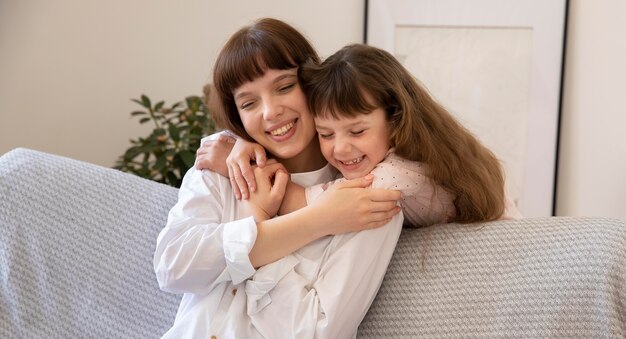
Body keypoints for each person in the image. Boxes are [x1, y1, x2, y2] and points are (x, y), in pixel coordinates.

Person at [0, 18, 401, 339]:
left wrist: (260, 225)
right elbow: (174, 267)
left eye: (284, 86)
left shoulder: (362, 199)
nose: (271, 111)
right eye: (248, 103)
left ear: (312, 85)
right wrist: (301, 222)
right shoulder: (220, 171)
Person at [198, 43, 522, 226]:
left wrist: (241, 167)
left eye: (357, 130)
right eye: (325, 133)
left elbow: (314, 205)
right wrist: (244, 141)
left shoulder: (399, 174)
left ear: (395, 119)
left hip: (510, 261)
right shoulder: (388, 142)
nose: (340, 147)